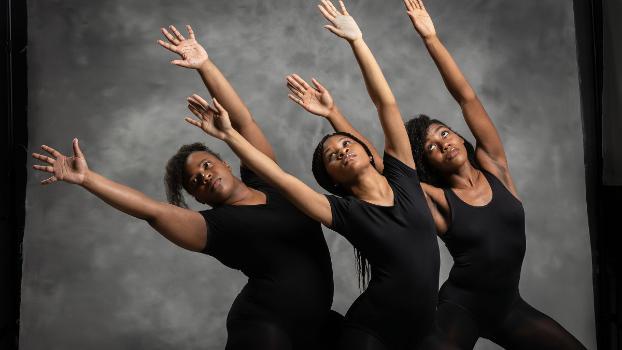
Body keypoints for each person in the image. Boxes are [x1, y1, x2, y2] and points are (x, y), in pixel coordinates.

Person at [295, 0, 587, 348]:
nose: (442, 144)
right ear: (427, 164)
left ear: (459, 135)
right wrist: (334, 115)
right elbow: (375, 162)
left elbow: (466, 98)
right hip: (460, 309)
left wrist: (431, 38)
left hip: (511, 307)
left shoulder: (495, 166)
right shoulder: (435, 200)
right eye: (431, 147)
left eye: (444, 133)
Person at [31, 25, 339, 350]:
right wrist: (88, 179)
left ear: (224, 162)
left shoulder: (268, 179)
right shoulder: (215, 227)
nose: (204, 175)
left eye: (207, 165)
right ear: (196, 197)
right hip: (265, 329)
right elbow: (151, 211)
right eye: (195, 181)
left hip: (318, 324)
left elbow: (243, 121)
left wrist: (205, 65)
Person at [185, 2, 439, 349]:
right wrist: (229, 136)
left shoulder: (403, 175)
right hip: (371, 332)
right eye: (332, 156)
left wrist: (357, 42)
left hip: (424, 326)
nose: (342, 150)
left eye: (346, 143)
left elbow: (386, 105)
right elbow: (278, 176)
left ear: (367, 151)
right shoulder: (343, 213)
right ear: (332, 179)